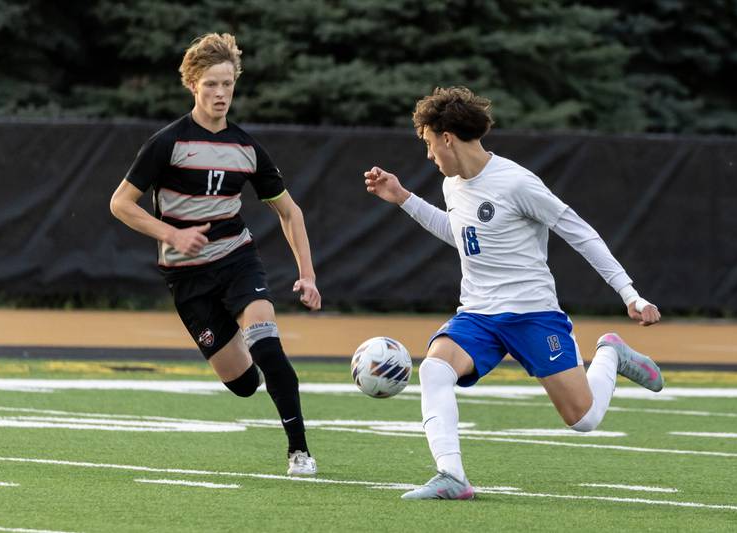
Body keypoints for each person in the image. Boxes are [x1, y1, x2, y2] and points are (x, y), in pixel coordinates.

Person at [364, 87, 664, 500]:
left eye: (430, 145)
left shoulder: (517, 182)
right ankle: (451, 476)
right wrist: (403, 198)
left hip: (533, 314)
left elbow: (580, 233)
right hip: (478, 315)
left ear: (447, 137)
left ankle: (611, 353)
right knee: (435, 368)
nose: (430, 156)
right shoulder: (453, 185)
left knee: (583, 419)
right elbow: (463, 237)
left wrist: (630, 293)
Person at [110, 33, 320, 475]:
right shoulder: (166, 143)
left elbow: (290, 211)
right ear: (193, 85)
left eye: (227, 84)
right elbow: (120, 204)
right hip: (187, 279)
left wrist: (308, 275)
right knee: (244, 385)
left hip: (237, 260)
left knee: (269, 346)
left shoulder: (246, 148)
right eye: (211, 85)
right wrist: (172, 234)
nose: (220, 94)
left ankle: (299, 451)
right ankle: (243, 339)